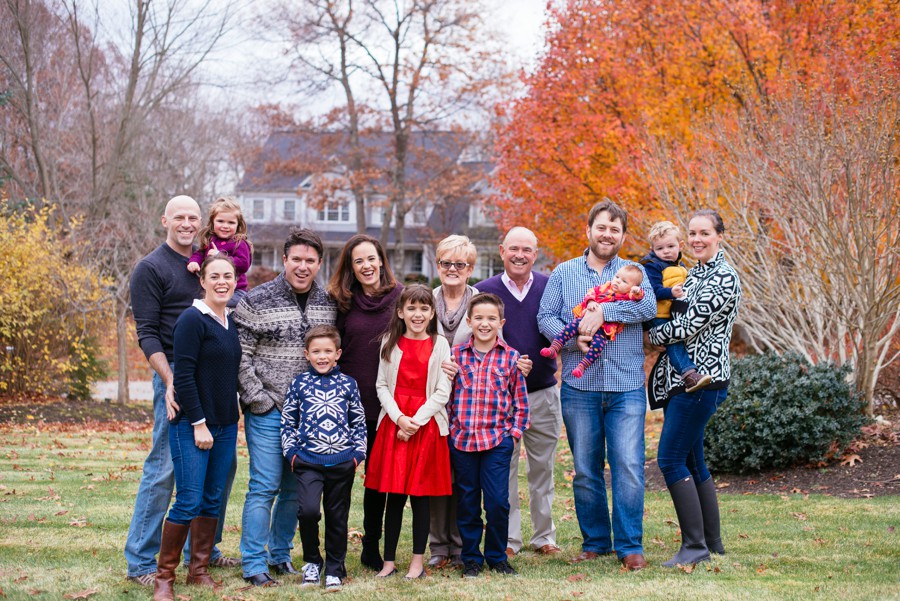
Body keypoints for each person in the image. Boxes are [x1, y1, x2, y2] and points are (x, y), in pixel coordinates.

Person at [537, 199, 656, 571]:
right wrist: (574, 340)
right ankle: (596, 542)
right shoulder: (564, 273)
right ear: (588, 230)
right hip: (580, 386)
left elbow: (647, 308)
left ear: (623, 235)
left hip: (626, 387)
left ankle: (630, 545)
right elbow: (547, 316)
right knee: (587, 469)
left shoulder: (634, 273)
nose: (608, 234)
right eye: (602, 227)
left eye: (615, 229)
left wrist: (606, 310)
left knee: (629, 466)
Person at [125, 195, 238, 586]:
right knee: (166, 466)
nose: (187, 224)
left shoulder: (207, 264)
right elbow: (147, 333)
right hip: (176, 374)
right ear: (165, 221)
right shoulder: (151, 268)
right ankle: (141, 560)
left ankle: (202, 554)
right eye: (180, 217)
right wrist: (171, 379)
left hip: (214, 375)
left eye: (193, 217)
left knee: (220, 471)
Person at [232, 229, 337, 587]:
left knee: (295, 489)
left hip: (309, 413)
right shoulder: (256, 300)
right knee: (265, 485)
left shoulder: (329, 302)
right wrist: (257, 399)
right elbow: (240, 355)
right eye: (297, 259)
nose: (303, 266)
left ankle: (280, 555)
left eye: (310, 261)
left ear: (319, 264)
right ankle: (253, 561)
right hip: (269, 407)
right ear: (285, 260)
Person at [648, 209, 741, 567]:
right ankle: (712, 543)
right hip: (680, 382)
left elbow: (686, 325)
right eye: (693, 233)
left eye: (705, 233)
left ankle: (694, 546)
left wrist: (653, 333)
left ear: (720, 236)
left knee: (669, 459)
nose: (698, 239)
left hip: (702, 381)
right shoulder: (693, 272)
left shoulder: (724, 277)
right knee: (691, 458)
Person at [155, 256, 242, 601]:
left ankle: (199, 571)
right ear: (202, 281)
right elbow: (184, 375)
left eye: (228, 276)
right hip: (194, 426)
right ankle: (164, 579)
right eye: (215, 276)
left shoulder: (228, 320)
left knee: (212, 499)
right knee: (188, 500)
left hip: (225, 425)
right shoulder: (192, 319)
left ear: (236, 281)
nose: (222, 282)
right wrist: (199, 423)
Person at [475, 227, 563, 557]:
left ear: (535, 252)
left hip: (542, 392)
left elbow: (561, 327)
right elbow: (478, 337)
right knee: (504, 470)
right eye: (514, 248)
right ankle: (508, 540)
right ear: (501, 250)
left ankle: (544, 537)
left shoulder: (549, 286)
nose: (520, 255)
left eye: (527, 249)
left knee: (543, 469)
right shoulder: (484, 291)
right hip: (499, 400)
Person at [366, 285, 453, 580]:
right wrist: (400, 418)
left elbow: (443, 390)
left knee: (420, 497)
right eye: (412, 308)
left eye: (424, 308)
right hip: (394, 423)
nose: (418, 314)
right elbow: (381, 385)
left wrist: (415, 420)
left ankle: (418, 561)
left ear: (432, 313)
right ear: (401, 312)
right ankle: (388, 561)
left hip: (426, 426)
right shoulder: (390, 341)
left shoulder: (440, 344)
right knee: (394, 496)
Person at [327, 234, 403, 572]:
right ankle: (334, 552)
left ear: (381, 261)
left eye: (371, 258)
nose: (367, 265)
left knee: (379, 482)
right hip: (349, 408)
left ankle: (372, 547)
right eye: (358, 261)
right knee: (340, 481)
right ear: (351, 268)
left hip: (391, 407)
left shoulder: (400, 299)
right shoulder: (342, 302)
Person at [280, 325, 367, 593]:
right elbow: (288, 421)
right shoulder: (299, 384)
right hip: (308, 461)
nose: (322, 356)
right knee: (307, 511)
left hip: (342, 461)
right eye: (316, 351)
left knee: (337, 515)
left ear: (337, 353)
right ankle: (313, 562)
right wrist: (292, 454)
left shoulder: (348, 384)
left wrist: (357, 454)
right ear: (306, 354)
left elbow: (359, 422)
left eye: (328, 351)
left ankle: (334, 568)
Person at [449, 293, 530, 578]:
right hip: (462, 440)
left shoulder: (511, 358)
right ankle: (471, 558)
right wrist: (449, 429)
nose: (485, 324)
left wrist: (514, 434)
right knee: (468, 501)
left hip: (497, 441)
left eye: (491, 319)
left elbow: (520, 402)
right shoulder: (456, 356)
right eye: (479, 318)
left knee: (497, 502)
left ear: (501, 322)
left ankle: (497, 556)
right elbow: (447, 398)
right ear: (469, 322)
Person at [427, 235, 477, 568]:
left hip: (469, 402)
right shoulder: (425, 301)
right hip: (430, 401)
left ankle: (459, 546)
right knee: (434, 473)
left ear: (470, 268)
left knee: (461, 475)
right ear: (438, 265)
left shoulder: (481, 304)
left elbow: (494, 347)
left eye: (459, 264)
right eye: (446, 263)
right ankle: (437, 546)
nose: (452, 269)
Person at [640, 220, 711, 393]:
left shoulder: (681, 266)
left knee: (678, 340)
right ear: (653, 250)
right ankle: (688, 375)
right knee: (674, 341)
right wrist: (671, 292)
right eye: (660, 248)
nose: (665, 251)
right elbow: (653, 291)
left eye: (670, 246)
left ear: (680, 246)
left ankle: (675, 378)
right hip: (658, 316)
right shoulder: (652, 266)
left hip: (674, 314)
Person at [540, 264, 645, 378]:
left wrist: (637, 292)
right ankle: (554, 348)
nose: (618, 281)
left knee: (598, 346)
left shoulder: (625, 296)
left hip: (603, 330)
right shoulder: (605, 287)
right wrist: (590, 302)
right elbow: (591, 293)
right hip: (584, 320)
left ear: (631, 287)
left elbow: (638, 298)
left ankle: (582, 366)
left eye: (624, 281)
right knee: (569, 328)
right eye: (617, 277)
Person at [187, 196, 253, 309]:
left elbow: (243, 264)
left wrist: (220, 256)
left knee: (211, 306)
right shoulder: (210, 240)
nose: (225, 226)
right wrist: (194, 262)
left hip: (236, 292)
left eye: (231, 222)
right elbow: (200, 254)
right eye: (220, 221)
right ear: (213, 222)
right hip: (212, 290)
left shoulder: (239, 243)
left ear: (238, 225)